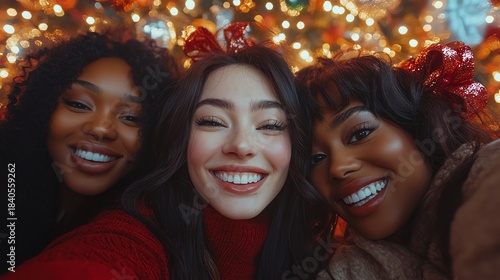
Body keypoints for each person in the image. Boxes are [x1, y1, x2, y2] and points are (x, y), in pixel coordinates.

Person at [4, 23, 329, 279]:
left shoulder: (325, 244)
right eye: (213, 121)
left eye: (270, 125)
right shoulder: (139, 230)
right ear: (180, 137)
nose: (242, 146)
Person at [296, 41, 500, 280]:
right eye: (315, 159)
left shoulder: (489, 175)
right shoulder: (341, 270)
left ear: (417, 127)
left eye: (360, 134)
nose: (339, 168)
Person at [0, 30, 178, 274]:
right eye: (79, 104)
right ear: (44, 107)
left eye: (131, 117)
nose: (101, 129)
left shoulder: (145, 221)